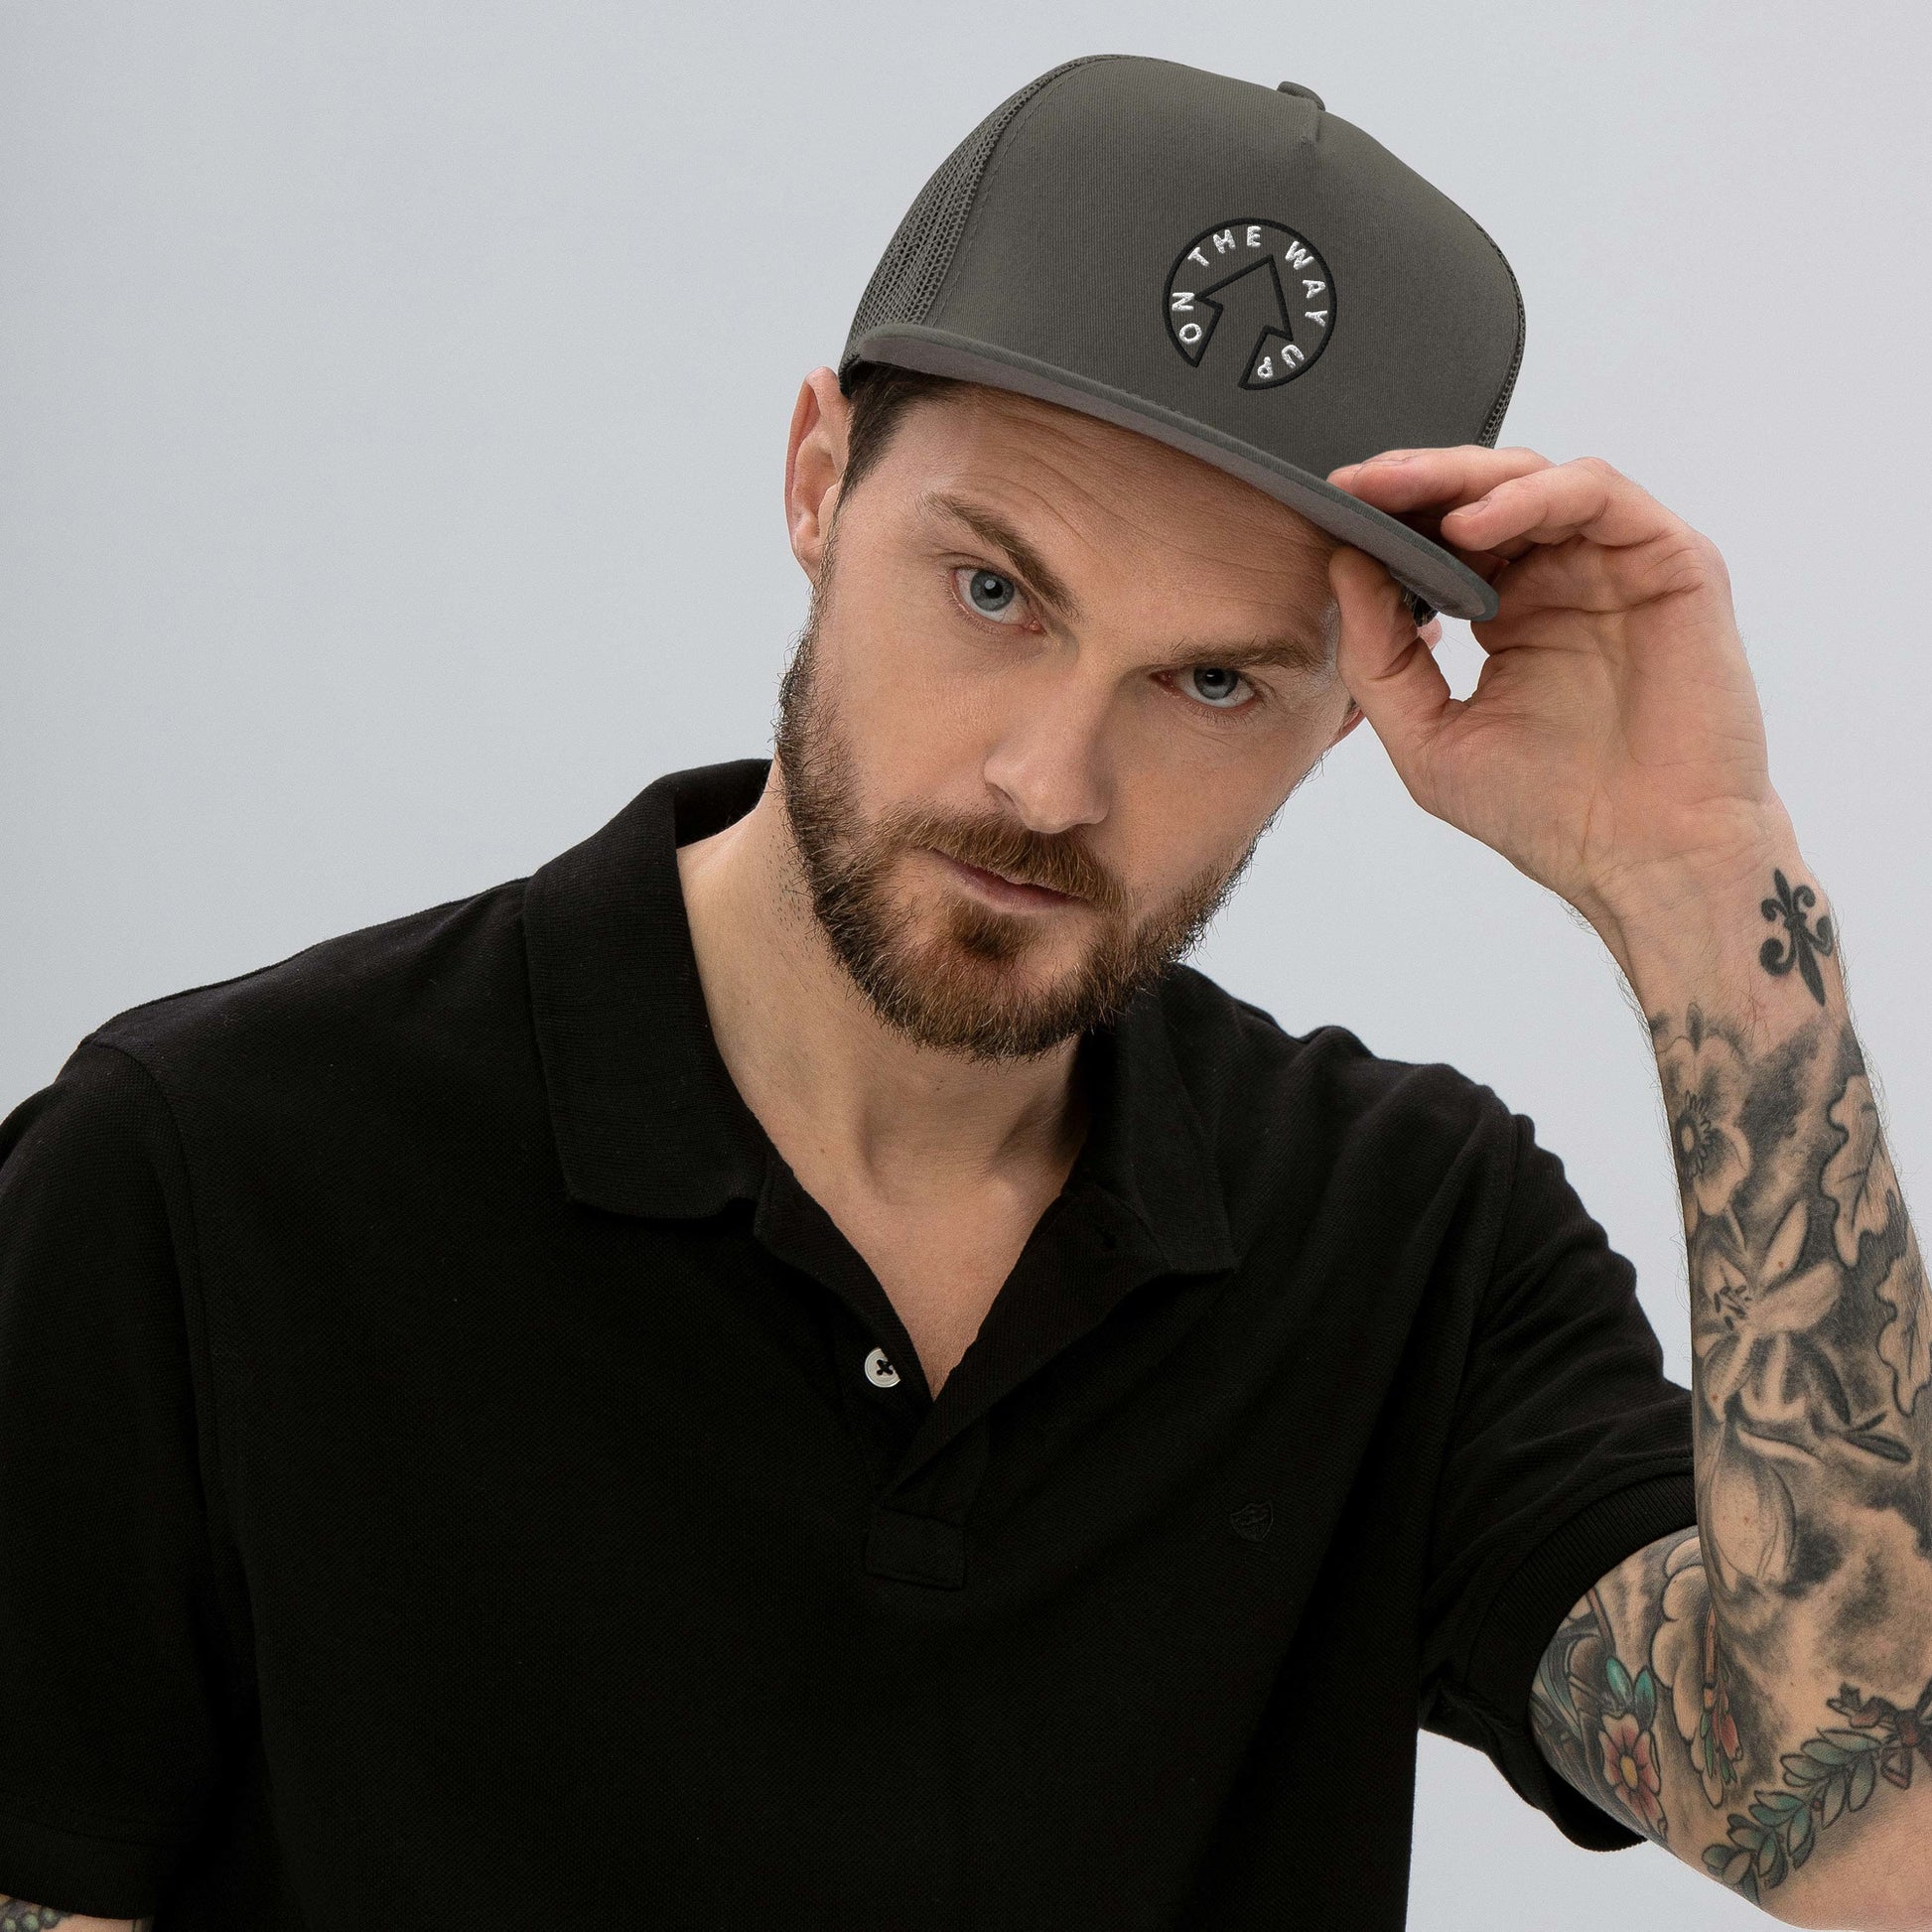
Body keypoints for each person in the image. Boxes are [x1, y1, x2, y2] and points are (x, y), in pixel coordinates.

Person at [1, 53, 1926, 1932]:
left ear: (1357, 709)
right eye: (995, 592)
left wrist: (1701, 888)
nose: (1046, 780)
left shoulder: (1405, 1240)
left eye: (1211, 681)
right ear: (819, 477)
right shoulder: (197, 1189)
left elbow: (1870, 1844)